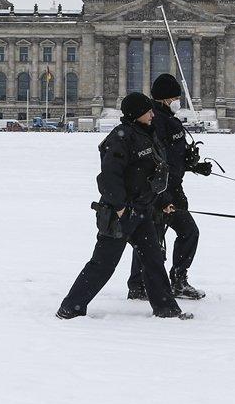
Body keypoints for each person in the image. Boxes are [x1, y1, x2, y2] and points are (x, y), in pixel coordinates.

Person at [56, 92, 192, 320]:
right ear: (137, 114)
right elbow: (108, 178)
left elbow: (153, 174)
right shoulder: (120, 138)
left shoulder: (147, 135)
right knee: (103, 264)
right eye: (148, 111)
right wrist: (120, 208)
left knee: (153, 260)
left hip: (143, 210)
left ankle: (166, 309)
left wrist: (164, 201)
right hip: (121, 214)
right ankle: (71, 307)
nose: (152, 114)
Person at [127, 73, 213, 302]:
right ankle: (167, 282)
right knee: (164, 235)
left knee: (152, 238)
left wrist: (194, 165)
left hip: (172, 186)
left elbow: (173, 156)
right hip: (161, 191)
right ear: (166, 99)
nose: (178, 101)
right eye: (175, 97)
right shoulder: (156, 120)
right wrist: (164, 195)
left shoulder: (167, 118)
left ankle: (142, 284)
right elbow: (156, 159)